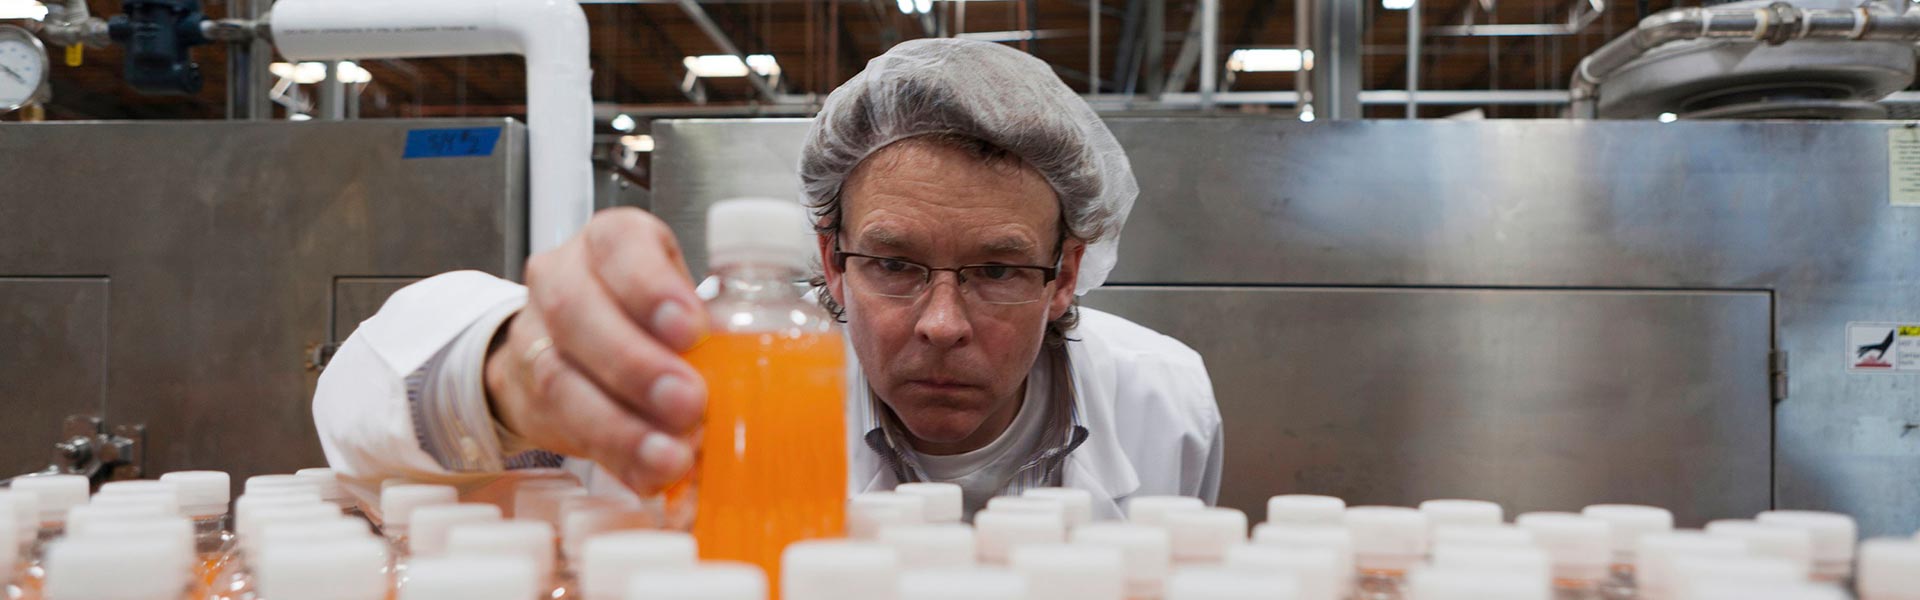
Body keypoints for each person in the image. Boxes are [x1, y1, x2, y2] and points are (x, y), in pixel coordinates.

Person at [312, 38, 1222, 520]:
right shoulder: (732, 379)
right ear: (830, 258)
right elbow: (365, 402)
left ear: (1065, 277)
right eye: (896, 265)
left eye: (996, 270)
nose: (942, 323)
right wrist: (508, 370)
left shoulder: (1164, 400)